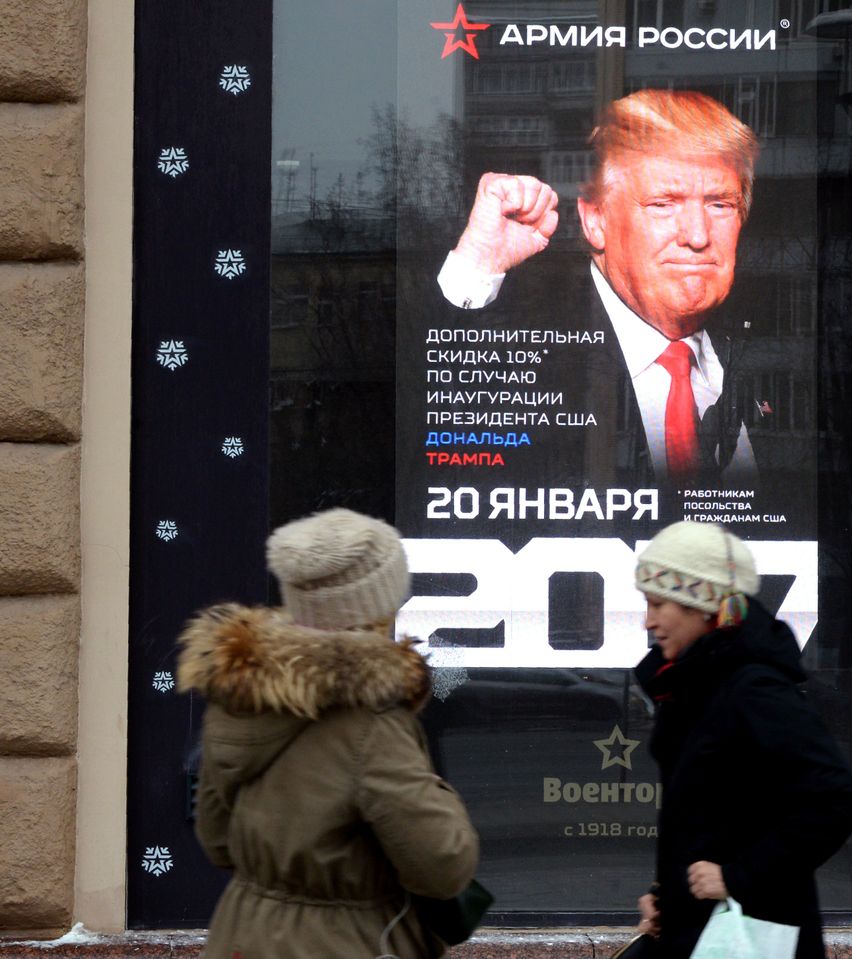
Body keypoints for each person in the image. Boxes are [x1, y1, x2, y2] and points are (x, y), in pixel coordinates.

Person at [177, 508, 479, 959]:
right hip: (348, 941)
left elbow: (217, 841)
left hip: (241, 933)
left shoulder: (238, 690)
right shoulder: (371, 722)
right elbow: (442, 864)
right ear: (377, 601)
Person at [436, 89, 765, 488]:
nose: (697, 235)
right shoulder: (541, 347)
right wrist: (477, 264)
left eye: (720, 205)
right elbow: (425, 419)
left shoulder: (760, 358)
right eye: (663, 204)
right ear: (595, 220)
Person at [630, 521, 852, 959]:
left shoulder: (752, 688)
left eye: (658, 603)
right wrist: (665, 897)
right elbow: (711, 820)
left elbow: (837, 801)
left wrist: (739, 876)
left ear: (700, 605)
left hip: (751, 935)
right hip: (705, 931)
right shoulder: (695, 683)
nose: (649, 620)